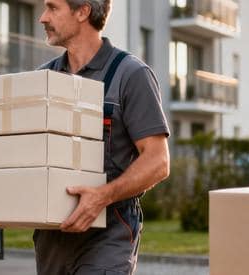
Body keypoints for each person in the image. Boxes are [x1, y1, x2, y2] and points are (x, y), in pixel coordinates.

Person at [32, 0, 170, 274]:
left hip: (108, 235)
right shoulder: (42, 79)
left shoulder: (130, 75)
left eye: (53, 7)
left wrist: (101, 197)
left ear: (83, 11)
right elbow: (25, 154)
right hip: (51, 238)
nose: (43, 18)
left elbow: (158, 161)